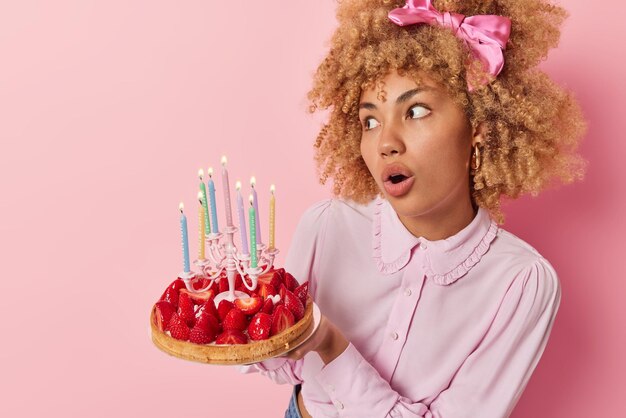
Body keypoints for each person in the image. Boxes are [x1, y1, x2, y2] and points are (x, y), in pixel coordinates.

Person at [241, 0, 586, 417]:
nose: (387, 142)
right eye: (370, 121)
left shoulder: (522, 282)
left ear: (478, 128)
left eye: (416, 111)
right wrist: (250, 316)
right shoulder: (327, 225)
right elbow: (282, 364)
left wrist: (332, 346)